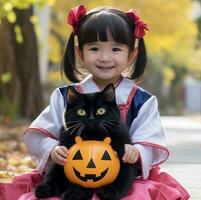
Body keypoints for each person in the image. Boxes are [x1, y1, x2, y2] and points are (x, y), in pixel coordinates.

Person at [0, 4, 189, 200]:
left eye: (116, 49)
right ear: (80, 52)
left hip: (121, 179)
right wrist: (52, 149)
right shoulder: (66, 96)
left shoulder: (142, 101)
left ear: (131, 54)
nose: (105, 57)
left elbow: (149, 138)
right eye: (94, 48)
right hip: (71, 176)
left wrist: (138, 151)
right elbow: (40, 134)